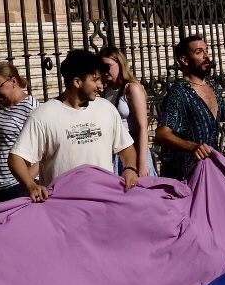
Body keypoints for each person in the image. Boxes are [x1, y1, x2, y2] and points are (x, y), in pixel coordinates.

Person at [10, 49, 137, 202]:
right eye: (95, 80)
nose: (101, 86)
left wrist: (130, 168)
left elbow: (126, 147)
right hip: (63, 207)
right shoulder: (42, 116)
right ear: (77, 82)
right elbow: (16, 158)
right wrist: (31, 185)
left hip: (105, 201)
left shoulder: (107, 109)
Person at [152, 34, 225, 182]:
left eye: (207, 51)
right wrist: (192, 147)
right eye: (199, 52)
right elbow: (161, 135)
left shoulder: (211, 86)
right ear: (184, 60)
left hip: (211, 171)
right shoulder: (178, 93)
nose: (206, 56)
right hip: (185, 176)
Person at [0, 62, 40, 203]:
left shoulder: (31, 107)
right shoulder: (2, 104)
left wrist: (27, 180)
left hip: (18, 184)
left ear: (13, 81)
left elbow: (44, 149)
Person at [100, 47, 153, 177]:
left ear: (120, 64)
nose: (105, 72)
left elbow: (142, 127)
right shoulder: (106, 91)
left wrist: (142, 163)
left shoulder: (132, 88)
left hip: (134, 149)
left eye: (108, 66)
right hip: (116, 151)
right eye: (101, 68)